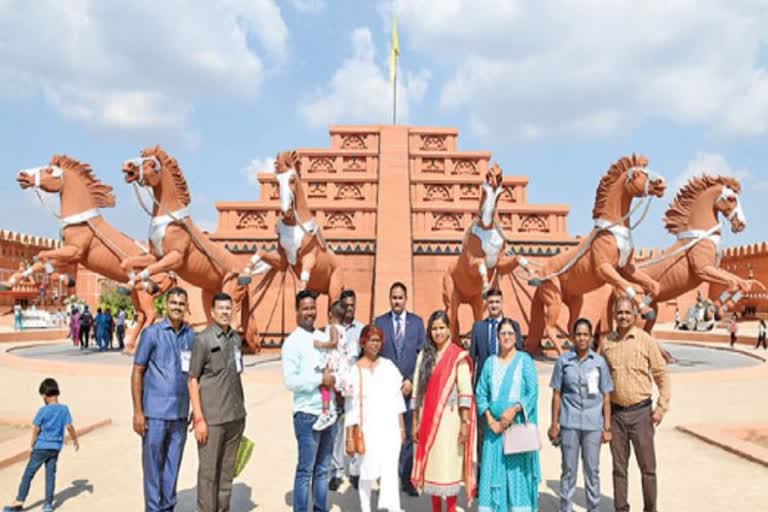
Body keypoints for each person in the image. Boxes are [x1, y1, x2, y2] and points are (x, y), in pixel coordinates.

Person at [603, 297, 670, 512]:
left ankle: (650, 509)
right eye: (619, 312)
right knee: (619, 469)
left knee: (648, 468)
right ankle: (621, 508)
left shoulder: (645, 340)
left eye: (626, 313)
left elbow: (661, 375)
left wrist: (661, 408)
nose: (622, 316)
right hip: (616, 416)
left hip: (642, 414)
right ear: (614, 315)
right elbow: (600, 381)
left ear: (634, 315)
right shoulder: (607, 344)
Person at [131, 287, 194, 512]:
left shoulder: (190, 336)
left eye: (181, 303)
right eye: (173, 303)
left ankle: (168, 507)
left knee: (172, 467)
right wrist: (138, 412)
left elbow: (195, 375)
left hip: (179, 414)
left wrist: (196, 407)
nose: (177, 307)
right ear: (166, 306)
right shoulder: (152, 333)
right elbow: (137, 371)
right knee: (152, 468)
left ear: (186, 308)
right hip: (154, 413)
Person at [411, 310, 475, 512]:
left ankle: (451, 508)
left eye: (441, 328)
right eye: (434, 328)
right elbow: (416, 391)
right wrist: (415, 422)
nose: (438, 332)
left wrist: (464, 424)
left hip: (450, 421)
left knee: (450, 468)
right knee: (433, 468)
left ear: (449, 330)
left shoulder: (458, 356)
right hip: (427, 418)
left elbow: (465, 392)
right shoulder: (424, 355)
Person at [188, 293, 247, 512]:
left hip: (235, 417)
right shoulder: (202, 340)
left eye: (228, 308)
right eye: (220, 308)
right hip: (212, 419)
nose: (224, 312)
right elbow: (192, 380)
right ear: (212, 312)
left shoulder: (235, 339)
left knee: (226, 473)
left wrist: (241, 413)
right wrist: (199, 418)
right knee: (208, 474)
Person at [475, 317, 540, 512]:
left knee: (516, 475)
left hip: (516, 428)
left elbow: (532, 392)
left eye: (510, 333)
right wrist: (490, 421)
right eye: (503, 333)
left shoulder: (524, 360)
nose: (506, 336)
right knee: (492, 473)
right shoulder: (489, 363)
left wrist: (514, 410)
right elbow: (480, 393)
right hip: (493, 431)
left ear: (516, 336)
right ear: (497, 337)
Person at [549, 318, 613, 512]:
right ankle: (565, 508)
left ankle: (593, 508)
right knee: (568, 470)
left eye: (585, 334)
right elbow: (557, 394)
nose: (582, 338)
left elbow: (606, 395)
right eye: (578, 334)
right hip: (569, 423)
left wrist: (607, 427)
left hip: (593, 424)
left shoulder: (599, 362)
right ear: (572, 337)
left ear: (591, 337)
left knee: (592, 471)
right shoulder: (563, 361)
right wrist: (554, 424)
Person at [282, 290, 337, 512]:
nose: (310, 313)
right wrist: (319, 379)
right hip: (307, 414)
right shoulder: (292, 343)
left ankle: (320, 508)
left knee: (323, 469)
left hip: (329, 412)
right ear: (297, 310)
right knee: (306, 469)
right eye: (305, 308)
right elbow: (291, 381)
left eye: (313, 308)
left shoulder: (323, 338)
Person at [345, 325, 406, 512]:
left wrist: (402, 428)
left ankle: (392, 508)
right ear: (363, 342)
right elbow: (350, 406)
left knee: (389, 470)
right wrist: (349, 436)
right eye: (372, 340)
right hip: (366, 428)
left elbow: (397, 398)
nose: (375, 344)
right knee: (366, 470)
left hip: (389, 428)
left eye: (378, 340)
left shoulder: (388, 367)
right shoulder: (354, 371)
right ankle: (366, 508)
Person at [375, 282, 425, 497]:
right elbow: (374, 354)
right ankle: (387, 480)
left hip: (409, 388)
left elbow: (422, 356)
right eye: (394, 297)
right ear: (390, 299)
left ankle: (406, 479)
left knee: (407, 434)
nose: (397, 301)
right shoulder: (380, 322)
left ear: (406, 299)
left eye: (400, 298)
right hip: (387, 390)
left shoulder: (416, 323)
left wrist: (412, 382)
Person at [469, 288, 523, 483]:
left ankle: (507, 475)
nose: (493, 305)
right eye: (490, 302)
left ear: (502, 303)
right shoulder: (478, 328)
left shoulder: (512, 326)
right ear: (486, 304)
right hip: (485, 391)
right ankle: (485, 477)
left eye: (497, 302)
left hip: (508, 391)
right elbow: (472, 360)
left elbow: (520, 358)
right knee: (484, 435)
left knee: (509, 432)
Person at [2, 378, 79, 512]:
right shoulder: (64, 409)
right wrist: (75, 440)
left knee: (28, 474)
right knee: (50, 475)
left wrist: (32, 441)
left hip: (41, 447)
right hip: (55, 448)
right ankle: (48, 504)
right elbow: (69, 426)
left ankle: (18, 502)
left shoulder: (43, 410)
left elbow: (37, 428)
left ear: (44, 395)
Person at [330, 289, 365, 491]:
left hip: (355, 388)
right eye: (346, 305)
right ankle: (335, 471)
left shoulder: (361, 329)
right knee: (335, 432)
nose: (350, 309)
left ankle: (355, 471)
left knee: (355, 428)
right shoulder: (332, 330)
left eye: (353, 305)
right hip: (335, 389)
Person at [311, 301, 353, 431]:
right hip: (342, 362)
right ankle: (339, 409)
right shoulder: (343, 329)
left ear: (330, 314)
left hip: (334, 360)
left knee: (325, 385)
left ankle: (326, 412)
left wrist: (321, 344)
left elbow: (334, 343)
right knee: (337, 388)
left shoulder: (333, 327)